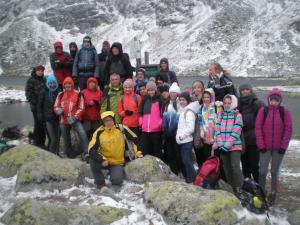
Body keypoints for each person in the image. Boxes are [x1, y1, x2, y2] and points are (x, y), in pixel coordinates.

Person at [255, 88, 292, 205]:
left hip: (278, 149)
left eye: (276, 100)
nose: (274, 102)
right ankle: (261, 192)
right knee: (262, 171)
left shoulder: (284, 111)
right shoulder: (263, 111)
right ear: (269, 99)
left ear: (280, 100)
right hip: (264, 148)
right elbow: (258, 128)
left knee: (275, 171)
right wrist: (261, 145)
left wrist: (283, 146)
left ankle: (273, 193)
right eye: (272, 100)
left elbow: (288, 129)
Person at [88, 111, 143, 188]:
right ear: (103, 122)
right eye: (106, 121)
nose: (109, 122)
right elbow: (91, 149)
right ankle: (101, 183)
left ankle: (113, 173)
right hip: (105, 161)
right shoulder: (99, 132)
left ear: (114, 120)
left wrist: (138, 152)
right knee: (92, 160)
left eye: (110, 120)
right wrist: (102, 159)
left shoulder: (121, 128)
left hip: (117, 162)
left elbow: (135, 140)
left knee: (117, 181)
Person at [214, 94, 244, 193]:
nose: (227, 105)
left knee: (235, 168)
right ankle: (232, 190)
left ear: (233, 103)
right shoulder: (221, 114)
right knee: (227, 170)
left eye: (229, 103)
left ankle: (240, 189)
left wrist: (227, 145)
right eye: (225, 103)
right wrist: (221, 144)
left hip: (234, 147)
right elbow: (217, 130)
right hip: (222, 147)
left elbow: (236, 131)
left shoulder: (237, 115)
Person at [54, 77, 89, 161]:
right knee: (66, 138)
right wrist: (58, 111)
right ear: (64, 85)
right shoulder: (60, 94)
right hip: (63, 120)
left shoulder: (78, 94)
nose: (67, 85)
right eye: (65, 84)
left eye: (69, 84)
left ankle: (86, 153)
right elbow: (56, 106)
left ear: (72, 84)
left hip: (75, 120)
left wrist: (75, 116)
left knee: (82, 134)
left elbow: (81, 107)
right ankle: (69, 153)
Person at [238, 83, 265, 183]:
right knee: (245, 166)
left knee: (254, 166)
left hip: (254, 140)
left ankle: (260, 187)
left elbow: (264, 122)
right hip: (242, 140)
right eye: (243, 90)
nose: (245, 91)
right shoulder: (238, 104)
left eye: (247, 89)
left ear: (250, 91)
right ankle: (249, 188)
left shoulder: (258, 103)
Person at [196, 88, 222, 168]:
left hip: (216, 140)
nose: (206, 99)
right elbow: (200, 122)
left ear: (211, 97)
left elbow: (219, 124)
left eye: (208, 97)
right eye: (204, 97)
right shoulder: (201, 108)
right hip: (206, 139)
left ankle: (218, 178)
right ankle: (209, 177)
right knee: (207, 159)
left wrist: (216, 140)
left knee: (217, 161)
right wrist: (201, 131)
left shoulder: (216, 107)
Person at [176, 92, 197, 183]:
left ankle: (192, 179)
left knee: (186, 161)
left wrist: (181, 136)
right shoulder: (183, 110)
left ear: (187, 100)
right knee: (185, 161)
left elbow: (191, 128)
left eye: (183, 100)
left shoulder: (188, 112)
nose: (181, 102)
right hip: (183, 141)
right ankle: (190, 178)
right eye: (180, 100)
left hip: (186, 141)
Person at [139, 81, 163, 159]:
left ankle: (158, 165)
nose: (150, 92)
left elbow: (162, 113)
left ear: (155, 90)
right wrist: (141, 122)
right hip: (145, 129)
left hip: (156, 130)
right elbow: (140, 112)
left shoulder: (159, 100)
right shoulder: (144, 99)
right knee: (145, 149)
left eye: (152, 90)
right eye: (149, 90)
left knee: (156, 150)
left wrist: (160, 123)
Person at [162, 82, 183, 175]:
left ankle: (179, 169)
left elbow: (178, 119)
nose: (173, 94)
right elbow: (164, 117)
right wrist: (165, 128)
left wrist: (172, 130)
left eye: (174, 92)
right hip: (168, 133)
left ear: (178, 93)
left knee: (177, 152)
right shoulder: (167, 104)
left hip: (176, 132)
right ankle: (173, 169)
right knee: (170, 152)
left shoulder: (180, 103)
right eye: (171, 92)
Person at [37, 75, 60, 155]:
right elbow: (39, 105)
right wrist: (40, 117)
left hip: (57, 119)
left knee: (57, 138)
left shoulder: (58, 92)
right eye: (50, 83)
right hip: (47, 119)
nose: (52, 85)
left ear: (56, 83)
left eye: (53, 83)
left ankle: (56, 153)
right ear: (48, 84)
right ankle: (50, 155)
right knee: (52, 138)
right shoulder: (44, 92)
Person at [25, 65, 46, 148]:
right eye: (39, 70)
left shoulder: (44, 80)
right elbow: (28, 94)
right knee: (38, 123)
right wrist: (35, 102)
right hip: (35, 106)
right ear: (35, 71)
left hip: (43, 106)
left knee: (43, 124)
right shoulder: (31, 80)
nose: (40, 72)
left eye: (42, 70)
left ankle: (42, 142)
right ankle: (37, 142)